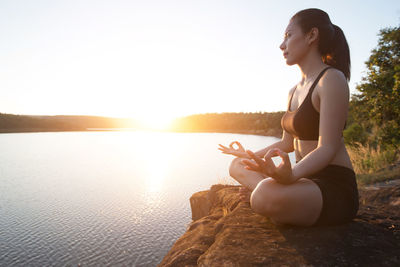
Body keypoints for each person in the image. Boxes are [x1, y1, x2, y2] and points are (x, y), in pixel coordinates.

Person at [218, 8, 359, 227]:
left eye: (288, 36)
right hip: (304, 181)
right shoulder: (293, 91)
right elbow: (287, 143)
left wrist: (290, 176)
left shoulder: (331, 79)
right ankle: (278, 200)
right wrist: (249, 156)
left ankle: (271, 199)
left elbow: (328, 148)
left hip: (333, 186)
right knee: (237, 165)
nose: (282, 45)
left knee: (264, 194)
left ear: (312, 35)